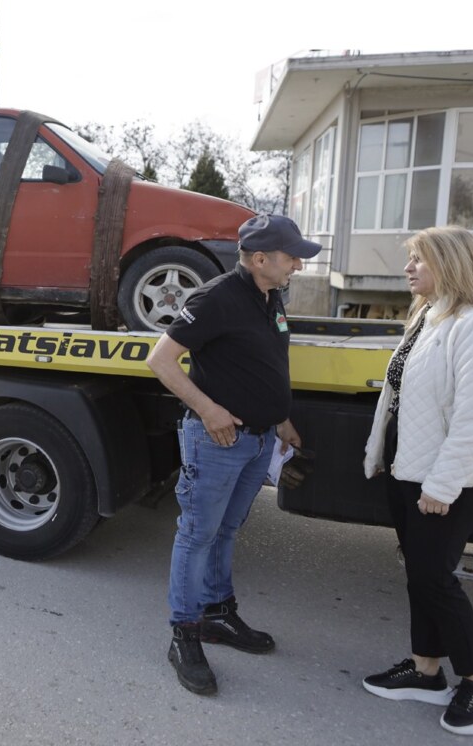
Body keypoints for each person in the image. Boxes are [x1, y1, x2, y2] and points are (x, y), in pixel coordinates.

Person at [146, 213, 318, 695]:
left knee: (226, 530)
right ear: (260, 259)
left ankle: (218, 615)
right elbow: (161, 360)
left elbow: (265, 362)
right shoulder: (216, 298)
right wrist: (209, 410)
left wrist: (281, 418)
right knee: (197, 535)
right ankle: (184, 635)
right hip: (218, 441)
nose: (298, 266)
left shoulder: (271, 295)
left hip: (259, 440)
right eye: (292, 257)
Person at [361, 226, 473, 736]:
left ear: (450, 264)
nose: (407, 268)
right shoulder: (429, 316)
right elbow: (401, 396)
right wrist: (381, 452)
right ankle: (426, 669)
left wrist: (442, 485)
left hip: (452, 477)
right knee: (419, 571)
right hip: (412, 467)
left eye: (418, 259)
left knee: (433, 577)